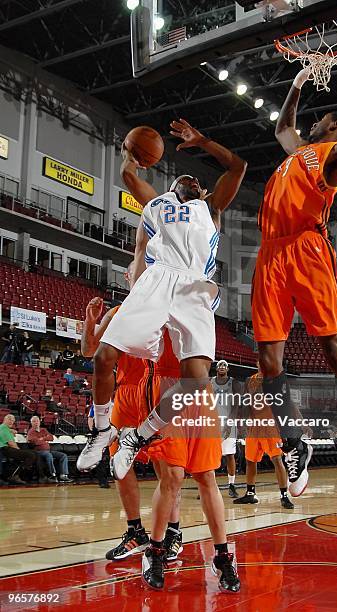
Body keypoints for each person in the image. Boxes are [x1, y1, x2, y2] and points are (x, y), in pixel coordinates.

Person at [79, 120, 246, 592]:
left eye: (195, 179)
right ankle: (102, 433)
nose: (189, 179)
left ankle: (137, 438)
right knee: (105, 356)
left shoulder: (210, 209)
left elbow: (237, 165)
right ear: (169, 183)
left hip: (193, 291)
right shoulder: (156, 206)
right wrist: (130, 151)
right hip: (159, 283)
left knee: (197, 389)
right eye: (183, 176)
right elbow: (129, 175)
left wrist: (202, 142)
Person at [251, 67, 337, 501]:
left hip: (307, 250)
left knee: (332, 348)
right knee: (268, 360)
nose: (312, 124)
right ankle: (295, 445)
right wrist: (295, 84)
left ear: (332, 125)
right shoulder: (296, 151)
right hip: (270, 253)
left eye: (321, 119)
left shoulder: (331, 153)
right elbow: (282, 126)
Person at [80, 264, 183, 563]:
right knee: (119, 467)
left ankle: (172, 533)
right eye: (133, 271)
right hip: (126, 394)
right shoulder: (117, 312)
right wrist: (90, 323)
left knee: (168, 469)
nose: (139, 274)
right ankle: (135, 531)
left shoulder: (169, 308)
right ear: (128, 278)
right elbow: (89, 350)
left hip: (159, 390)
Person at [234, 362, 294, 509]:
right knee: (250, 460)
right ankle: (250, 493)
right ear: (257, 362)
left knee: (277, 459)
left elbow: (286, 403)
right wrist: (242, 421)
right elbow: (248, 402)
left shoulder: (275, 379)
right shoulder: (251, 380)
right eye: (260, 360)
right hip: (254, 426)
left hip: (270, 425)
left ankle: (284, 495)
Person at [211, 360, 242, 498]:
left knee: (230, 455)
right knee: (210, 455)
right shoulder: (210, 382)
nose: (222, 367)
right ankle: (209, 485)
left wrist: (230, 423)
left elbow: (236, 405)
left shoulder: (233, 383)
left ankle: (231, 485)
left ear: (228, 369)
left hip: (228, 422)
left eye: (224, 365)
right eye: (220, 365)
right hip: (213, 422)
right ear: (216, 368)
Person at [0, 414, 50, 484]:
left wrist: (13, 431)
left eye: (13, 421)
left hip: (9, 448)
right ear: (4, 420)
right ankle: (14, 475)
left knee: (36, 453)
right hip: (5, 449)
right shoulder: (3, 428)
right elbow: (11, 443)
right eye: (10, 420)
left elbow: (12, 434)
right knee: (31, 455)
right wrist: (19, 450)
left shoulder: (7, 428)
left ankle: (42, 477)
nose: (11, 422)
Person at [27, 416, 73, 482]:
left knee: (63, 456)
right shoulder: (31, 432)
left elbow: (51, 437)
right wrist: (45, 439)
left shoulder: (44, 430)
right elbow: (35, 442)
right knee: (48, 455)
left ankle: (63, 475)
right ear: (31, 423)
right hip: (38, 451)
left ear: (40, 422)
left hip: (48, 450)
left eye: (37, 421)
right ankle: (52, 475)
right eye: (34, 421)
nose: (36, 423)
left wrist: (42, 439)